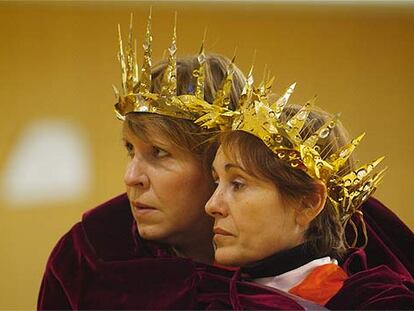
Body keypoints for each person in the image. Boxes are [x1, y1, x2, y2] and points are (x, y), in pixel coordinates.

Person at [204, 79, 414, 309]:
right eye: (216, 182)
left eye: (238, 184)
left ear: (308, 203)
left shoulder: (369, 304)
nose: (212, 205)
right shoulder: (200, 291)